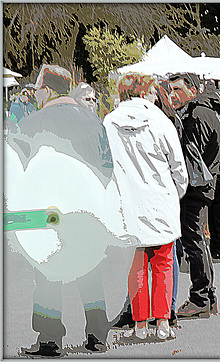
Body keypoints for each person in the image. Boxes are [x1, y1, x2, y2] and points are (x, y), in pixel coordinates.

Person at [8, 65, 115, 356]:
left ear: (48, 90)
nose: (37, 94)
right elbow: (109, 167)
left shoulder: (34, 122)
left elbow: (23, 170)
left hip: (50, 213)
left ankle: (50, 338)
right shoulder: (95, 122)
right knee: (90, 271)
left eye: (39, 89)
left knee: (47, 272)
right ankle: (97, 335)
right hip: (90, 211)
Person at [103, 73, 188, 340]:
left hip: (127, 204)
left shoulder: (108, 122)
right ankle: (163, 323)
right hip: (160, 201)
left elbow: (103, 165)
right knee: (163, 263)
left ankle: (140, 325)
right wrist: (175, 194)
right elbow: (178, 167)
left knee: (136, 264)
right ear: (147, 92)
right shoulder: (160, 121)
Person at [168, 72, 220, 318]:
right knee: (197, 239)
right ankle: (207, 296)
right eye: (171, 90)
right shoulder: (202, 111)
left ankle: (200, 297)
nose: (173, 95)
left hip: (195, 186)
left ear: (192, 89)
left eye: (177, 90)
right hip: (200, 185)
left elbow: (193, 156)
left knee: (193, 240)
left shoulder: (197, 114)